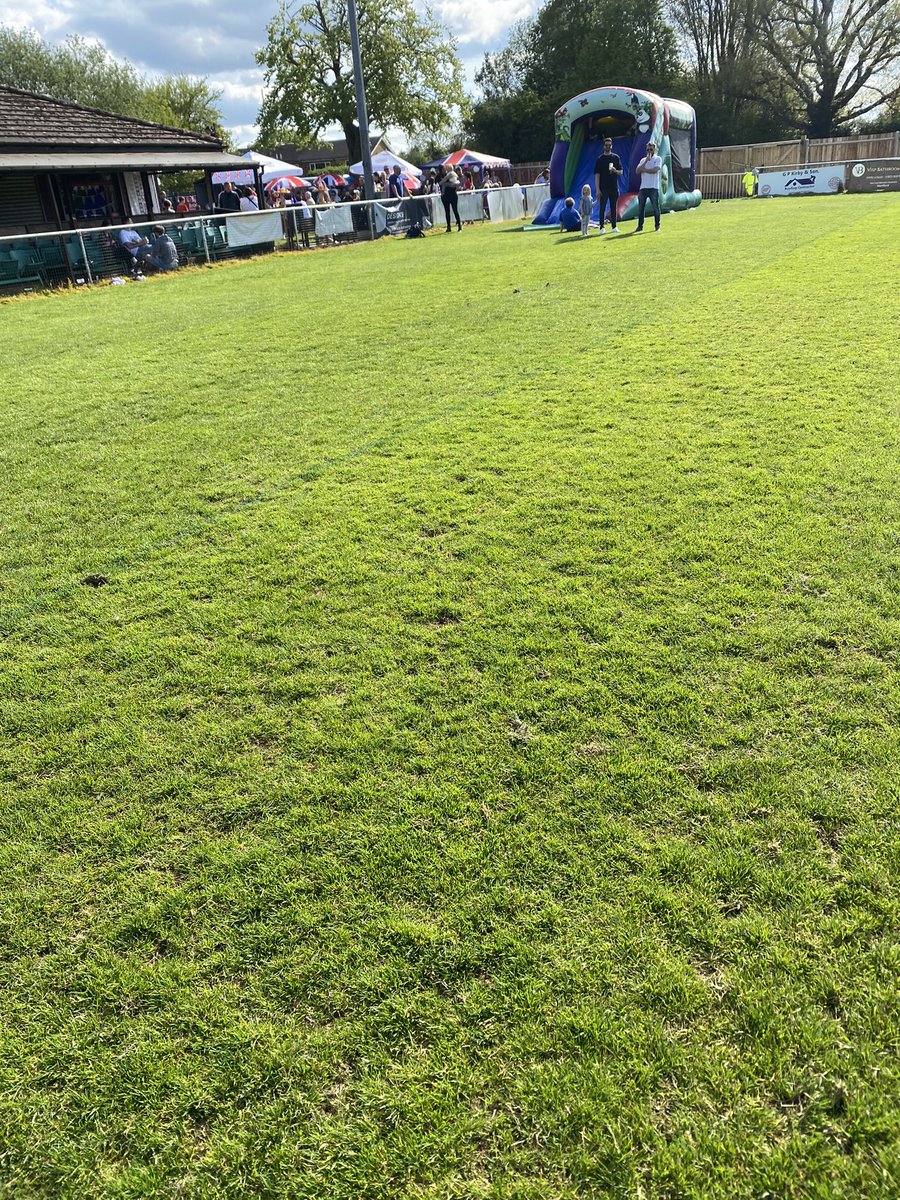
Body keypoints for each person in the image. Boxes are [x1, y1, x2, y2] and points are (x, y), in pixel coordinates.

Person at [594, 136, 623, 232]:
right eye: (606, 145)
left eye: (609, 145)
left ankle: (614, 226)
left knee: (614, 207)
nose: (608, 147)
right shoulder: (600, 159)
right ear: (603, 146)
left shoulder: (616, 158)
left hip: (614, 187)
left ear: (612, 146)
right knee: (602, 207)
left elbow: (621, 172)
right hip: (603, 187)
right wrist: (597, 189)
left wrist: (615, 170)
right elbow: (597, 175)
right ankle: (602, 227)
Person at [635, 141, 662, 232]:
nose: (649, 151)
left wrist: (644, 170)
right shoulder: (643, 160)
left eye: (651, 149)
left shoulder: (658, 158)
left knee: (655, 208)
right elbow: (637, 171)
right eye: (648, 150)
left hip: (653, 187)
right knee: (641, 209)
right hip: (643, 188)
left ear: (654, 149)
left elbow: (655, 170)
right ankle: (640, 226)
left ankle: (657, 226)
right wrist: (646, 161)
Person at [441, 167, 461, 232]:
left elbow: (442, 182)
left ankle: (457, 226)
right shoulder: (454, 174)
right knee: (450, 211)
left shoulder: (450, 174)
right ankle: (451, 226)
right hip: (449, 195)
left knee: (453, 210)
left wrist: (443, 182)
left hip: (450, 194)